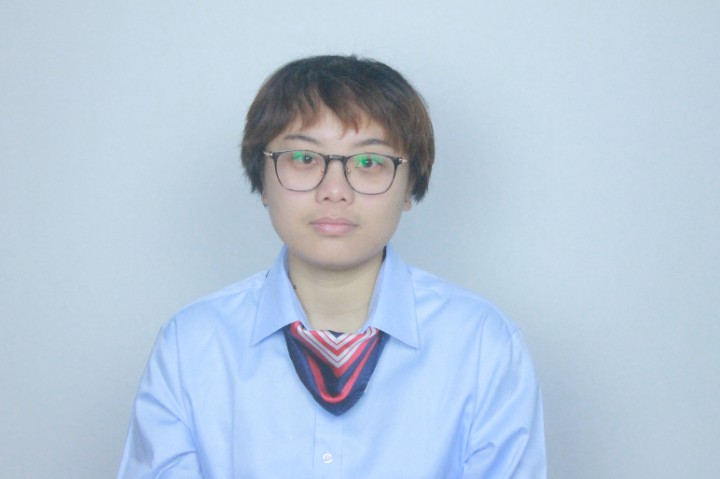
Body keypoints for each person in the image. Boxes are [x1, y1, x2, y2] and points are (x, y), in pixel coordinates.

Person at [117, 55, 546, 478]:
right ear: (262, 179)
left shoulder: (482, 345)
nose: (334, 190)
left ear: (410, 187)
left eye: (369, 162)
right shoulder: (192, 344)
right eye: (305, 159)